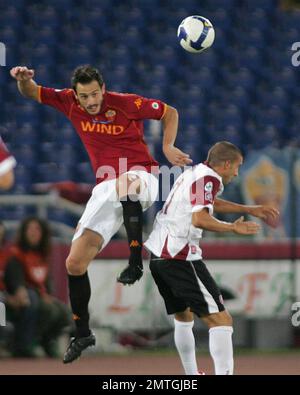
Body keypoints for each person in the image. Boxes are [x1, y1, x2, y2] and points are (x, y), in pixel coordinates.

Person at [10, 65, 192, 363]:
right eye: (85, 96)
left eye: (95, 93)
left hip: (142, 176)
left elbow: (169, 112)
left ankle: (135, 261)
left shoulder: (125, 102)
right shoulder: (68, 101)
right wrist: (24, 81)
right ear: (77, 96)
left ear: (103, 88)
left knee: (125, 182)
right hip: (106, 187)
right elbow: (33, 92)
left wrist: (168, 146)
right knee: (74, 262)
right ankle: (82, 332)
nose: (92, 101)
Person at [144, 141, 280, 375]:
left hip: (158, 254)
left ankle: (191, 376)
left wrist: (248, 209)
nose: (237, 173)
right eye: (237, 167)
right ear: (226, 164)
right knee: (221, 320)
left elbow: (208, 202)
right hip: (180, 255)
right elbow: (200, 219)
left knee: (183, 316)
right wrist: (232, 228)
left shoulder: (195, 173)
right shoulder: (209, 179)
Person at [4, 217, 72, 357]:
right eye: (30, 229)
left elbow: (46, 283)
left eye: (37, 229)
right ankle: (23, 344)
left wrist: (47, 295)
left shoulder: (42, 255)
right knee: (38, 303)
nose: (33, 232)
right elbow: (15, 281)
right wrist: (20, 291)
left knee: (65, 313)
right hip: (19, 297)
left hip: (39, 295)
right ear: (23, 232)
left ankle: (47, 341)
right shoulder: (16, 254)